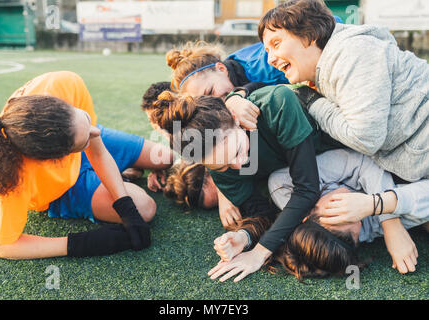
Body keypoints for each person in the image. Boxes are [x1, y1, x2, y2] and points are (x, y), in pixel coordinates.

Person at [150, 82, 344, 277]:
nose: (237, 165)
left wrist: (259, 253)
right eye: (223, 166)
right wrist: (244, 237)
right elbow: (262, 213)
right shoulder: (221, 171)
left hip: (349, 151)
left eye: (236, 151)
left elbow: (306, 189)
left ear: (235, 118)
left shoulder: (276, 104)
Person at [0, 71, 172, 260]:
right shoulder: (14, 182)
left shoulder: (64, 84)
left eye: (84, 118)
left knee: (164, 157)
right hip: (63, 188)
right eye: (84, 142)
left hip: (76, 133)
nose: (94, 131)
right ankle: (114, 169)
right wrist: (85, 243)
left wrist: (125, 207)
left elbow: (95, 145)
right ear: (56, 159)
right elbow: (3, 246)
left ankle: (113, 163)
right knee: (145, 208)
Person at [258, 0, 429, 183]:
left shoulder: (353, 54)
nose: (270, 60)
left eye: (276, 44)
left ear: (310, 34)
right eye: (267, 50)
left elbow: (365, 139)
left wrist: (312, 101)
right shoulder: (325, 67)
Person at [210, 149, 429, 281]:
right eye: (356, 219)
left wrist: (245, 236)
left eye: (339, 210)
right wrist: (381, 211)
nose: (355, 205)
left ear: (304, 215)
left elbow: (361, 161)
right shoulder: (371, 229)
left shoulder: (285, 187)